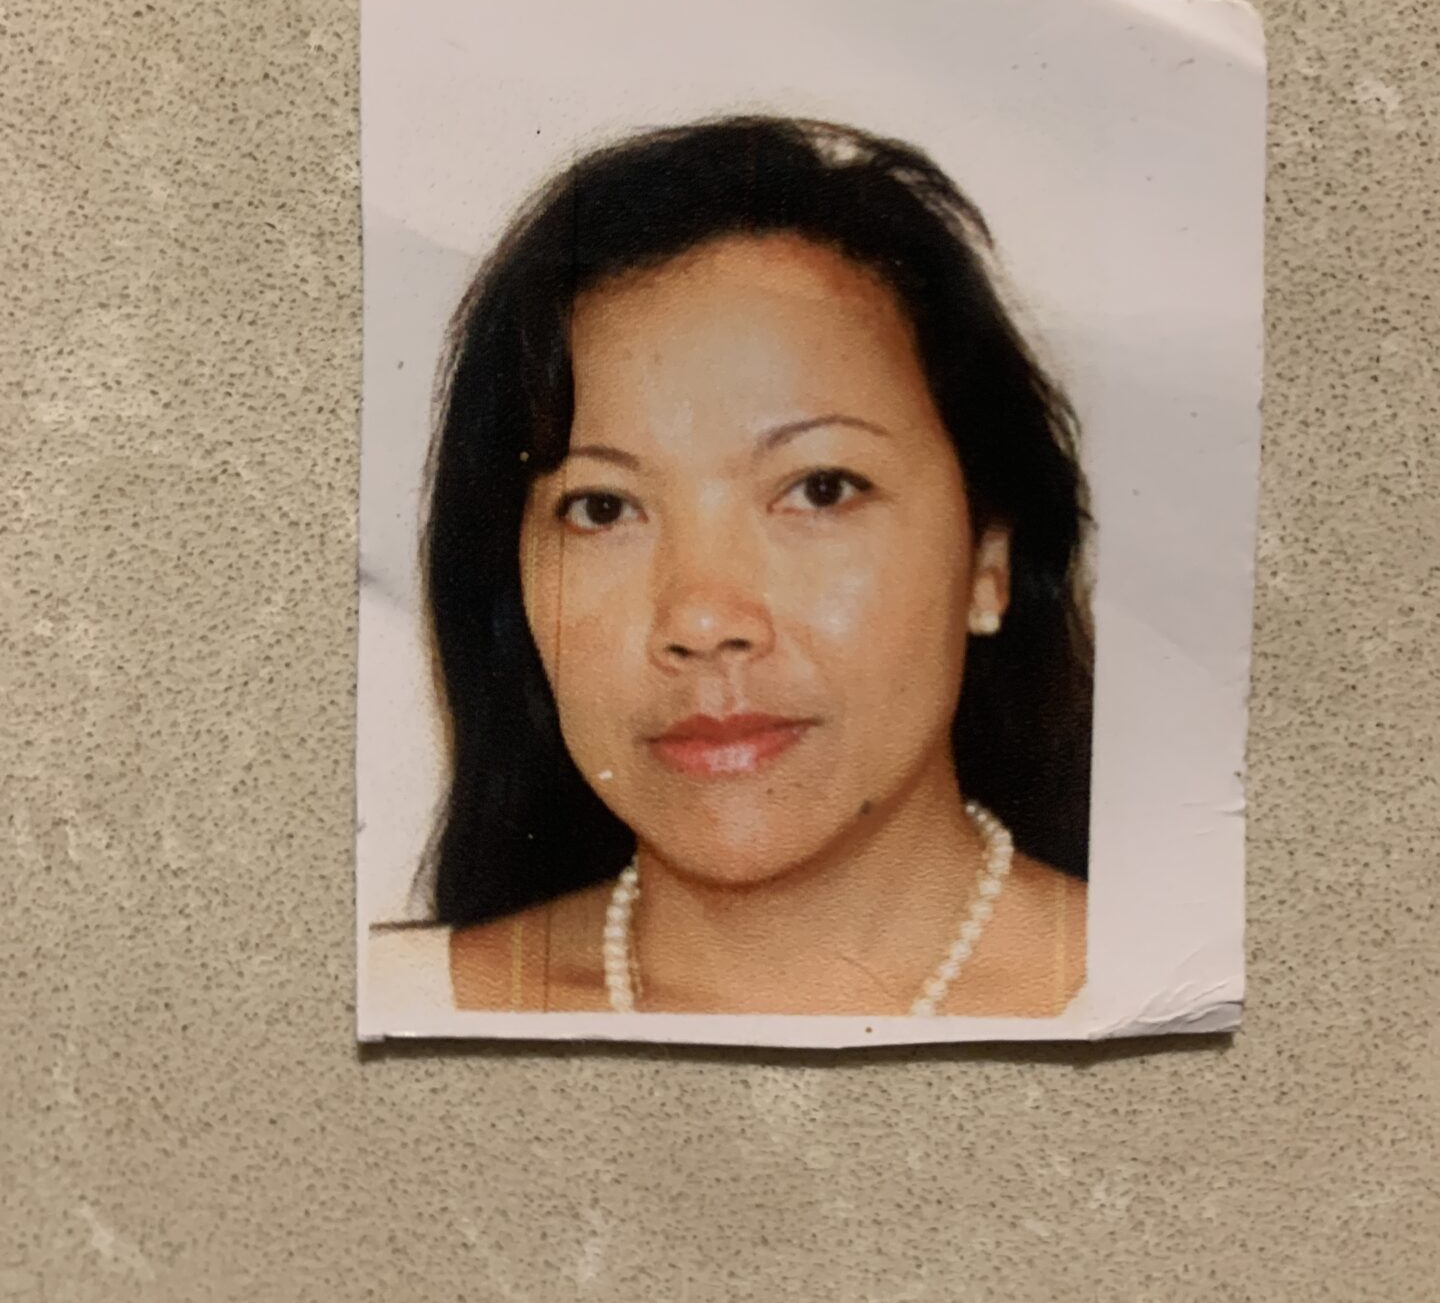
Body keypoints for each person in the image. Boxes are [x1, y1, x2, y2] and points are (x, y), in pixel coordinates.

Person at [370, 115, 1092, 1019]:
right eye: (603, 508)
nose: (703, 620)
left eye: (821, 489)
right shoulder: (390, 1008)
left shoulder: (1178, 998)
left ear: (989, 559)